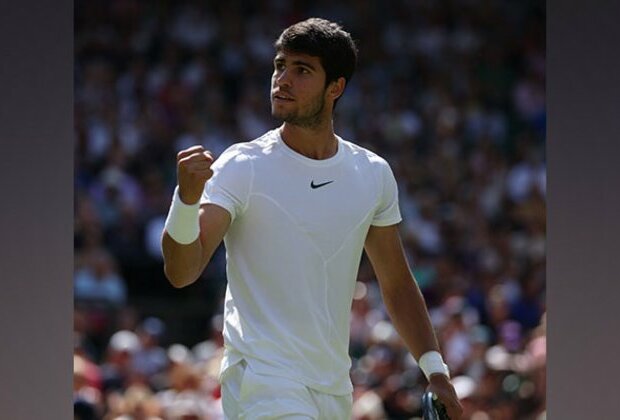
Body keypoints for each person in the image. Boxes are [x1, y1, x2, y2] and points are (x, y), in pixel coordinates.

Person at [161, 17, 462, 420]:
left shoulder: (372, 174)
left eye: (301, 70)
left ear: (335, 88)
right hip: (261, 381)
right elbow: (181, 271)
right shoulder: (241, 164)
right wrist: (185, 199)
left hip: (334, 389)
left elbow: (396, 282)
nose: (282, 79)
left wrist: (436, 370)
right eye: (279, 65)